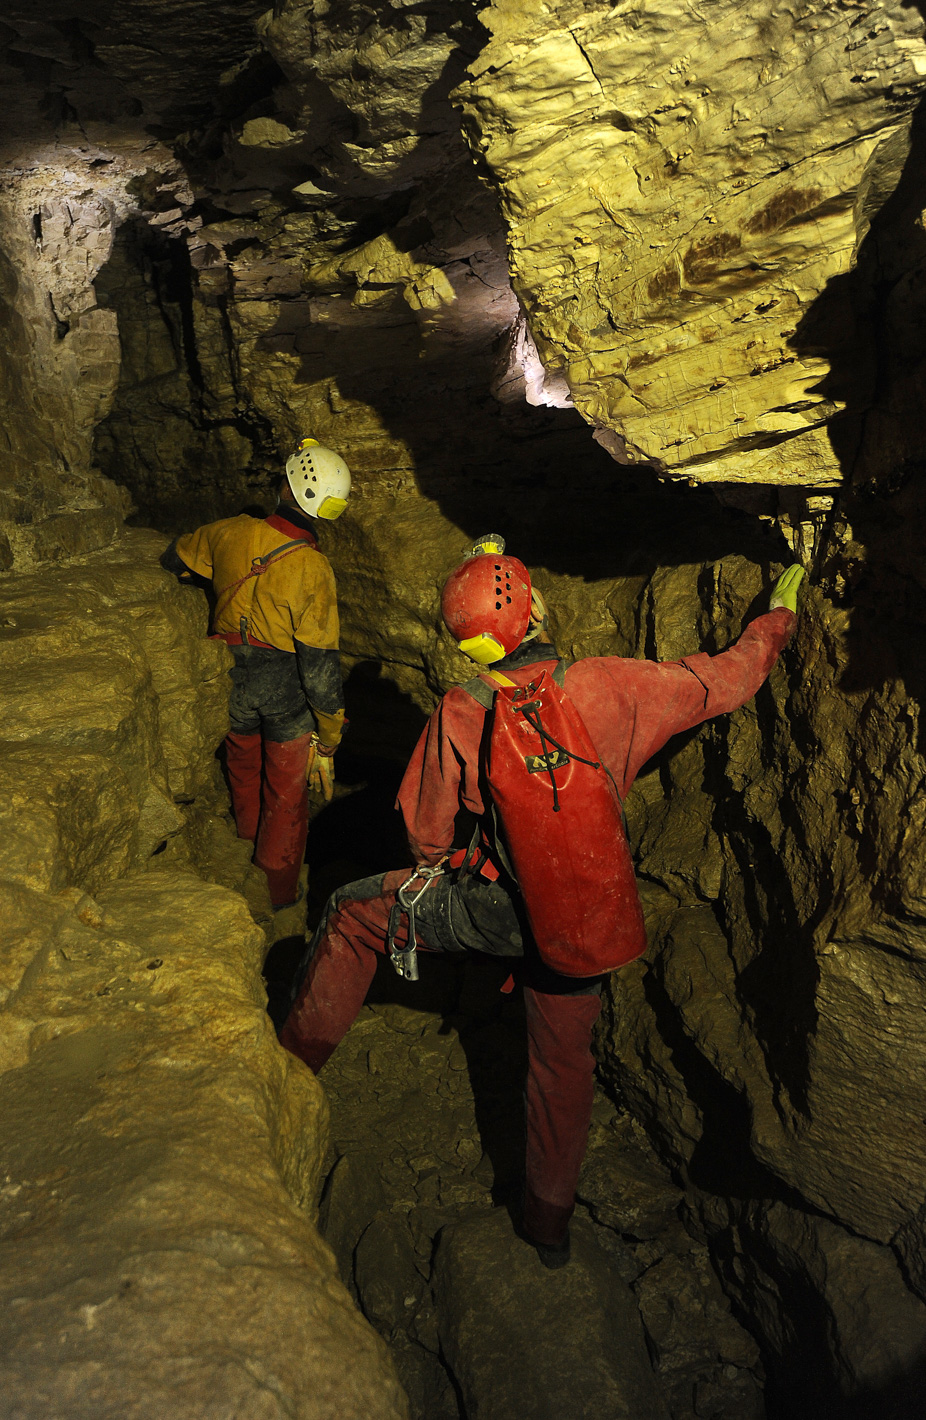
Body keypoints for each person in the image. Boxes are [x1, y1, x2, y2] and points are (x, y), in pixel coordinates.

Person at [279, 536, 804, 1265]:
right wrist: (777, 619)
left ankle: (288, 1071)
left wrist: (463, 884)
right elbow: (727, 681)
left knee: (351, 912)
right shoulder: (611, 685)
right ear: (537, 611)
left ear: (467, 648)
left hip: (495, 909)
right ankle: (548, 1226)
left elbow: (424, 837)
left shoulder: (461, 712)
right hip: (586, 919)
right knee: (563, 1066)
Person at [164, 439, 350, 908]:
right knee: (286, 798)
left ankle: (245, 853)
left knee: (242, 770)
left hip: (231, 678)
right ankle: (276, 895)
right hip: (284, 688)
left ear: (285, 487)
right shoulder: (313, 567)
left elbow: (175, 560)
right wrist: (328, 738)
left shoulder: (228, 532)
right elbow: (320, 666)